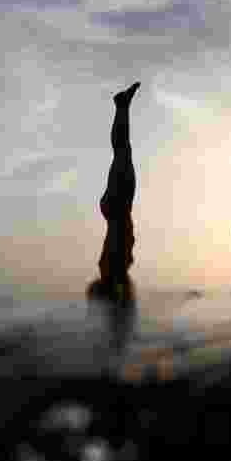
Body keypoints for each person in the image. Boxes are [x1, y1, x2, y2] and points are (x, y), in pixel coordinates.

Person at [88, 82, 140, 304]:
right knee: (122, 150)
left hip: (118, 207)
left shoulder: (112, 268)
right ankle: (122, 106)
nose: (132, 258)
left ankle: (122, 106)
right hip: (117, 207)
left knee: (122, 150)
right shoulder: (112, 269)